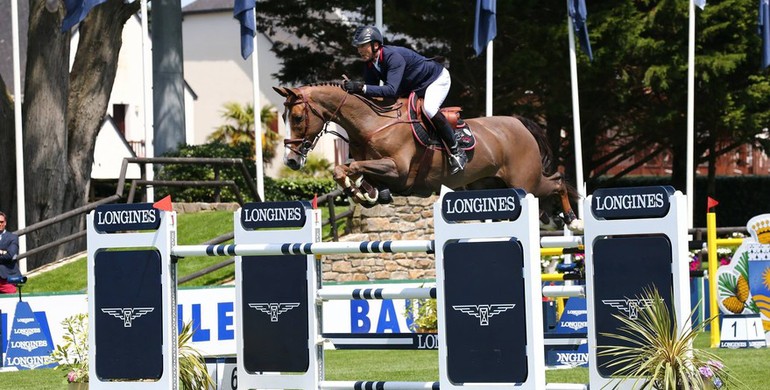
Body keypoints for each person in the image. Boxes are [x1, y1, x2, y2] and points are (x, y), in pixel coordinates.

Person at [343, 25, 467, 174]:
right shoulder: (370, 64)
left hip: (435, 79)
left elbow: (390, 90)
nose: (359, 50)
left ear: (375, 45)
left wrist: (360, 87)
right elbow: (372, 94)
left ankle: (456, 151)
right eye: (358, 46)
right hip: (413, 86)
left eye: (363, 46)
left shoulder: (392, 57)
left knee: (429, 108)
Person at [0, 211, 21, 294]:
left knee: (11, 304)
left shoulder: (12, 237)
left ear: (5, 223)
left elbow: (10, 255)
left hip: (6, 278)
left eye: (1, 222)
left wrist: (6, 253)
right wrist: (2, 252)